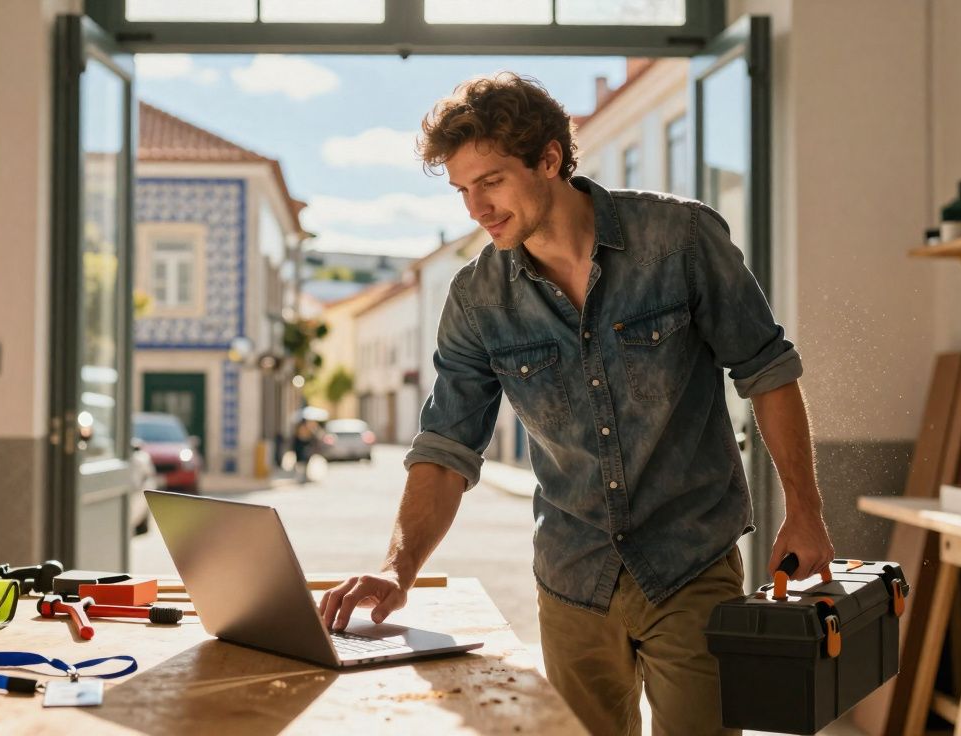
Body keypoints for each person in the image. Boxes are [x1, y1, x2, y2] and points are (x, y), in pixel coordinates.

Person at [318, 73, 833, 736]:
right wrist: (397, 568)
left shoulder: (679, 240)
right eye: (463, 190)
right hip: (572, 583)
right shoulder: (478, 300)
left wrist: (806, 511)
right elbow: (447, 449)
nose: (477, 208)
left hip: (690, 565)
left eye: (493, 181)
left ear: (550, 159)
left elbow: (767, 372)